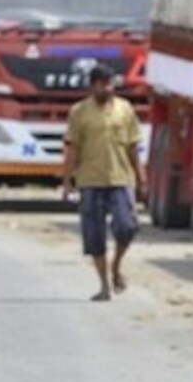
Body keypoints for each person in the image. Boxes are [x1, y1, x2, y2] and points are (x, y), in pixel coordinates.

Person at [62, 64, 145, 302]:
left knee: (127, 226)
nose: (107, 88)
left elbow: (133, 147)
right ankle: (104, 286)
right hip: (90, 181)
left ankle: (116, 266)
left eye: (110, 84)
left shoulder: (125, 109)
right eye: (102, 84)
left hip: (121, 179)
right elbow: (72, 149)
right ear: (93, 86)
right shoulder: (79, 112)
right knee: (94, 236)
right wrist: (68, 181)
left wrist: (142, 177)